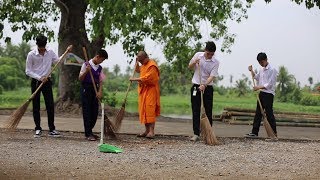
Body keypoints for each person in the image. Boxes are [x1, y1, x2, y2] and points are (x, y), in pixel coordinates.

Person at [25, 35, 62, 138]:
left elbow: (57, 61)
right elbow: (28, 71)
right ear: (37, 44)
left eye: (44, 46)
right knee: (36, 105)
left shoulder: (50, 52)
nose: (42, 48)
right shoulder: (31, 54)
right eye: (40, 46)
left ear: (46, 44)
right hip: (36, 82)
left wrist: (64, 54)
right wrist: (39, 77)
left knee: (50, 105)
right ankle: (38, 128)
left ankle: (52, 129)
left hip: (47, 82)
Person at [188, 41, 220, 141]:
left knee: (208, 110)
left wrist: (204, 85)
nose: (210, 56)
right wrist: (194, 62)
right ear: (205, 50)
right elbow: (189, 66)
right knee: (196, 109)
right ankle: (196, 133)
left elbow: (212, 76)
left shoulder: (216, 62)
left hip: (207, 87)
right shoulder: (198, 55)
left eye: (212, 54)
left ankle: (207, 133)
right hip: (196, 86)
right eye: (208, 53)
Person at [245, 52, 278, 138]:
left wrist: (258, 87)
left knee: (269, 113)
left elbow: (270, 84)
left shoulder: (272, 70)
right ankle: (254, 132)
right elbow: (256, 77)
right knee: (258, 113)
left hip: (269, 94)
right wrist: (251, 70)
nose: (261, 64)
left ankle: (273, 133)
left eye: (262, 62)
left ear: (266, 60)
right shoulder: (261, 69)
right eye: (259, 63)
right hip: (262, 93)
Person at [129, 51, 160, 139]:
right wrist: (136, 62)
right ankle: (146, 131)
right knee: (144, 110)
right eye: (140, 62)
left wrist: (134, 79)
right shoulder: (144, 64)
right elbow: (139, 70)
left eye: (142, 61)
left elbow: (148, 78)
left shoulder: (152, 65)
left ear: (146, 58)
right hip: (143, 91)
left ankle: (151, 131)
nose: (141, 63)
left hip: (151, 91)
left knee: (150, 110)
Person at [79, 49, 108, 141]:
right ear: (97, 56)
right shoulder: (86, 64)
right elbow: (80, 78)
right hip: (86, 88)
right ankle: (88, 133)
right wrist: (86, 71)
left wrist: (100, 91)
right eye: (102, 60)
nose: (101, 62)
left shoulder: (99, 68)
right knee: (87, 111)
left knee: (94, 112)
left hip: (95, 90)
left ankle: (90, 131)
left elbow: (101, 81)